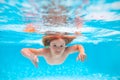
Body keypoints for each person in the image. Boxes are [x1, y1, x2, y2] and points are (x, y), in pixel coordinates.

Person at [21, 34, 86, 67]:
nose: (58, 49)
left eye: (61, 46)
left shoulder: (66, 50)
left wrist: (82, 52)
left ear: (65, 45)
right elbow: (24, 50)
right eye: (54, 45)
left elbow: (78, 46)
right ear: (49, 45)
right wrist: (31, 56)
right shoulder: (45, 51)